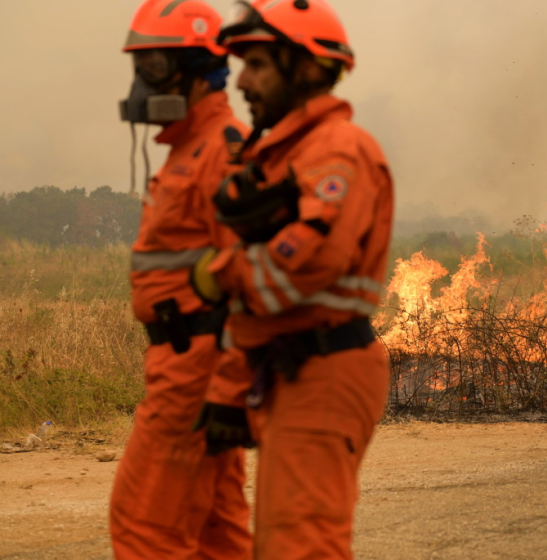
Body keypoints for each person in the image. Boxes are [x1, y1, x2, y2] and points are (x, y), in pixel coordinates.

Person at [191, 0, 394, 557]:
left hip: (325, 370)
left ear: (304, 67)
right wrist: (230, 391)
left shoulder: (336, 149)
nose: (241, 80)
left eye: (257, 64)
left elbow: (311, 263)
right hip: (289, 368)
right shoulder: (284, 153)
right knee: (280, 542)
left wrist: (221, 273)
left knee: (300, 546)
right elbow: (259, 305)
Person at [109, 1, 252, 558]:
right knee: (217, 531)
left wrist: (226, 385)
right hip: (190, 361)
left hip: (196, 366)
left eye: (155, 67)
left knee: (145, 525)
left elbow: (248, 279)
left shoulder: (222, 151)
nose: (143, 84)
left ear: (196, 70)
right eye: (140, 67)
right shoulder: (187, 149)